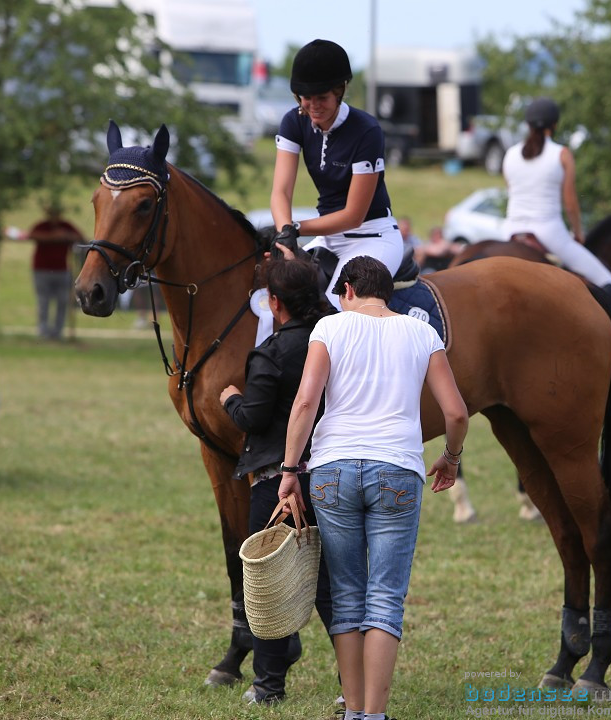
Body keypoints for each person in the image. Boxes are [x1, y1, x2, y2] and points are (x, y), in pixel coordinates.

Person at [277, 256, 469, 720]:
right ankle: (374, 715)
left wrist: (288, 470)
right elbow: (457, 413)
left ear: (346, 291)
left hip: (332, 468)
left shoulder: (330, 329)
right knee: (385, 596)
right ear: (388, 291)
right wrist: (452, 457)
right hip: (397, 469)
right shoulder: (422, 332)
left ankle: (353, 710)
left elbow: (306, 403)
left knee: (346, 595)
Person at [218, 258, 335, 706]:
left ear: (275, 303)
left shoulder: (273, 352)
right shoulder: (337, 339)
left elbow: (254, 416)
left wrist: (230, 399)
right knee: (333, 588)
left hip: (279, 483)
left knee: (265, 586)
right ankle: (353, 686)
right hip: (332, 475)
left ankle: (268, 686)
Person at [270, 39, 403, 309]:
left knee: (333, 306)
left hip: (373, 238)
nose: (314, 106)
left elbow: (353, 216)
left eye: (322, 98)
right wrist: (285, 234)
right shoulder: (294, 121)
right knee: (271, 293)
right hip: (329, 240)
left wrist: (296, 228)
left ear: (340, 92)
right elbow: (281, 191)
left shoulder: (366, 130)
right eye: (307, 98)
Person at [501, 97, 611, 294]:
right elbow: (570, 204)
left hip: (510, 230)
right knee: (607, 281)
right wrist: (578, 233)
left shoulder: (510, 154)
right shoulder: (562, 154)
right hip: (548, 231)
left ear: (528, 125)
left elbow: (511, 190)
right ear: (554, 125)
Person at [27, 203, 84, 339]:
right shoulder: (42, 226)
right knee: (43, 301)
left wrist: (66, 236)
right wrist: (54, 236)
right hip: (42, 270)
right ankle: (43, 331)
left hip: (61, 270)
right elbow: (32, 235)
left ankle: (58, 332)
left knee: (63, 301)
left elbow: (80, 237)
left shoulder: (66, 226)